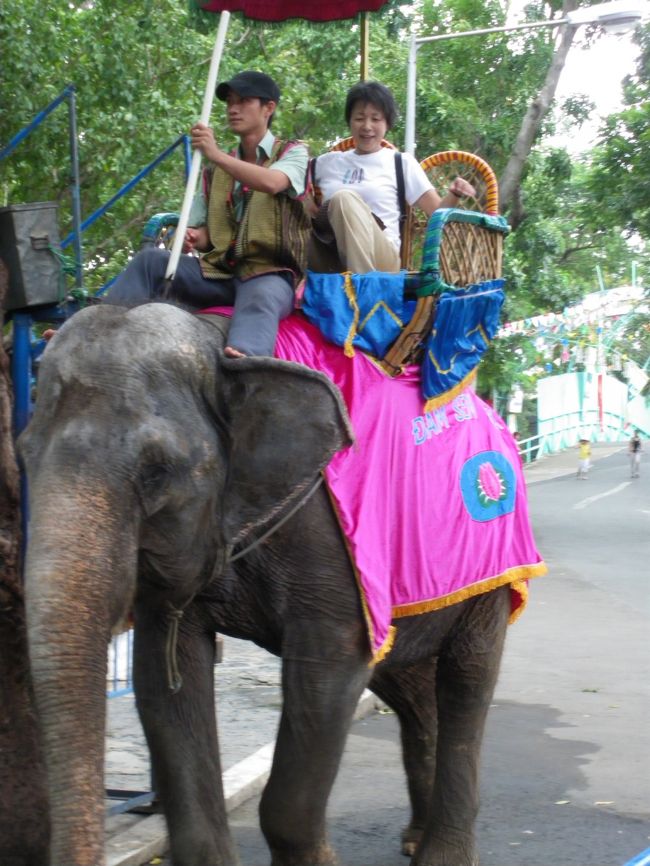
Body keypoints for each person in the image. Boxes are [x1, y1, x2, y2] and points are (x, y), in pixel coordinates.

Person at [104, 71, 311, 358]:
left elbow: (272, 183)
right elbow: (206, 235)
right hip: (220, 273)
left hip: (270, 273)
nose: (233, 109)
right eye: (229, 103)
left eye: (243, 101)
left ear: (269, 108)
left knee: (260, 298)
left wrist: (215, 155)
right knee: (150, 262)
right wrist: (192, 237)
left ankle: (246, 366)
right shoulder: (214, 168)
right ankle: (95, 332)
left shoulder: (294, 152)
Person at [307, 81, 476, 275]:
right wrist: (305, 200)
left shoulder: (400, 163)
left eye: (376, 119)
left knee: (343, 199)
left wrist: (455, 193)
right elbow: (289, 179)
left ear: (387, 123)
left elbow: (437, 213)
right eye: (359, 118)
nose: (367, 126)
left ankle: (363, 290)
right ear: (349, 121)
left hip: (381, 260)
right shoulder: (327, 163)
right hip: (331, 257)